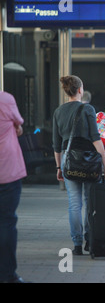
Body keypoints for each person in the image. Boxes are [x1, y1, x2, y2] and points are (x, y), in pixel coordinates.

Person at [52, 75, 105, 255]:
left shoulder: (58, 112)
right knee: (89, 201)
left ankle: (77, 244)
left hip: (68, 160)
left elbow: (56, 145)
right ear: (80, 90)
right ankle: (90, 239)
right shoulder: (87, 109)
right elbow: (96, 139)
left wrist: (58, 167)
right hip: (88, 160)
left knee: (74, 203)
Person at [0, 91, 28, 283]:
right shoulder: (6, 99)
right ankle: (7, 275)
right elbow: (18, 122)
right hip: (7, 170)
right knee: (7, 222)